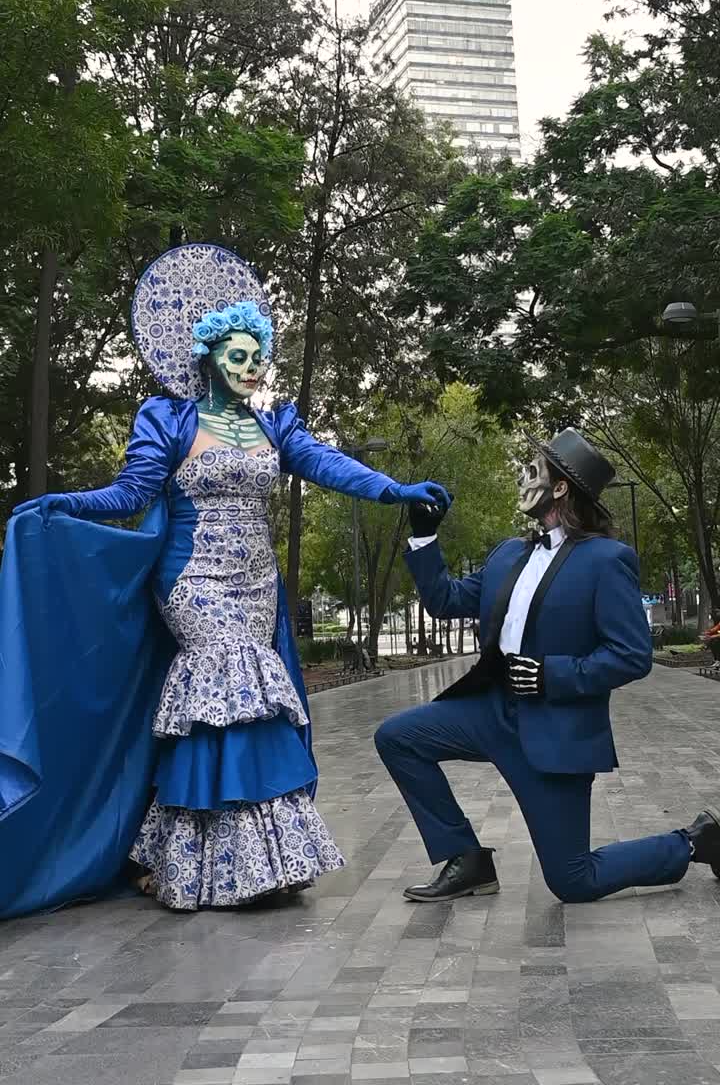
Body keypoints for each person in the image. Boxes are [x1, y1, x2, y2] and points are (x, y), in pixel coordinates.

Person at [0, 243, 449, 916]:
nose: (250, 367)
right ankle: (219, 864)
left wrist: (394, 489)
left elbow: (331, 466)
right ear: (208, 358)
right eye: (237, 356)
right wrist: (68, 502)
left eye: (256, 356)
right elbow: (131, 493)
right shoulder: (169, 420)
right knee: (227, 678)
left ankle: (235, 860)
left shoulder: (271, 427)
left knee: (245, 705)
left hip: (255, 580)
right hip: (193, 581)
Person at [375, 428, 720, 904]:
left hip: (556, 732)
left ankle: (695, 841)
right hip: (489, 714)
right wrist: (423, 534)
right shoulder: (508, 554)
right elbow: (445, 599)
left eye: (533, 469)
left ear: (560, 487)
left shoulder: (607, 560)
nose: (522, 477)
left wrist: (552, 674)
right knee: (397, 737)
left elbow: (631, 654)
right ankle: (468, 859)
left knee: (574, 881)